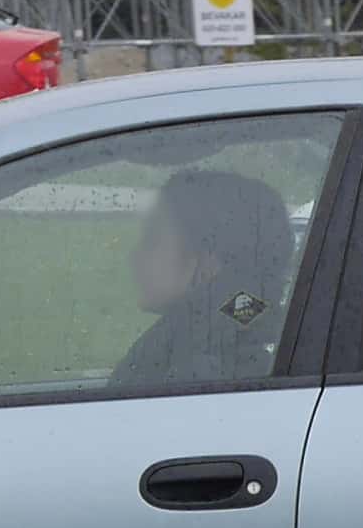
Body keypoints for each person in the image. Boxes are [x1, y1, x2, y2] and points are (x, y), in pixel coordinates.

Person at [109, 167, 294, 393]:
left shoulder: (202, 369)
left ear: (208, 262)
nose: (135, 256)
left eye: (152, 239)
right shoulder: (248, 335)